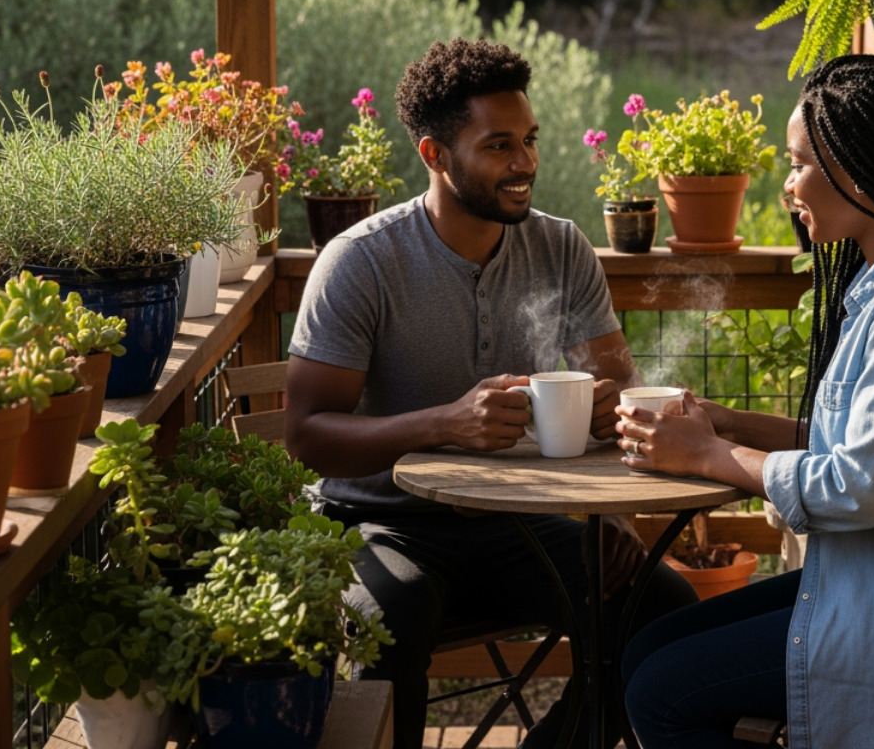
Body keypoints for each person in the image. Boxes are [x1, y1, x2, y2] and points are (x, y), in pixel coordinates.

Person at [285, 37, 696, 749]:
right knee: (392, 620)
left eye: (530, 140)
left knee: (661, 609)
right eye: (499, 145)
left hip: (516, 523)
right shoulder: (360, 262)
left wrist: (619, 502)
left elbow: (620, 388)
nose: (526, 163)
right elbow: (308, 434)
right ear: (435, 155)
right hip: (383, 525)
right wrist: (444, 422)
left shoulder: (562, 248)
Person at [615, 54, 874, 749]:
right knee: (645, 650)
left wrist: (713, 455)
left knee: (661, 695)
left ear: (859, 170)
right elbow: (858, 443)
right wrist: (727, 421)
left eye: (799, 164)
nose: (788, 186)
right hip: (858, 573)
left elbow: (857, 486)